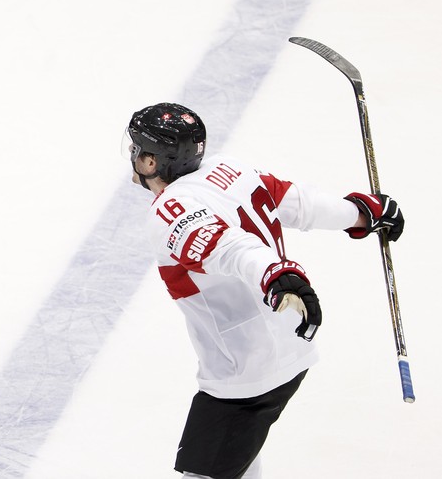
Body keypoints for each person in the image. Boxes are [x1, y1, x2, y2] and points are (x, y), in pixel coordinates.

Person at [122, 103, 404, 479]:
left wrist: (276, 273)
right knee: (238, 456)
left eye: (137, 149)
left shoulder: (170, 209)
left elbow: (229, 247)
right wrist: (360, 213)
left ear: (153, 162)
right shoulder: (228, 169)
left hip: (245, 369)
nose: (132, 155)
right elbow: (298, 203)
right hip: (289, 340)